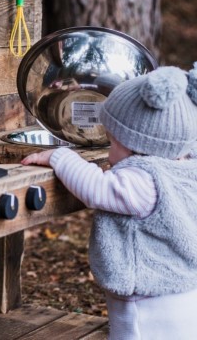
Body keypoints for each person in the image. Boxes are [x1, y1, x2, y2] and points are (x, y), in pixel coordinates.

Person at [21, 65, 197, 340]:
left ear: (138, 144)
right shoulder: (185, 167)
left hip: (148, 305)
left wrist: (60, 157)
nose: (110, 153)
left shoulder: (146, 182)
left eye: (112, 142)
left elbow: (96, 188)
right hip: (183, 293)